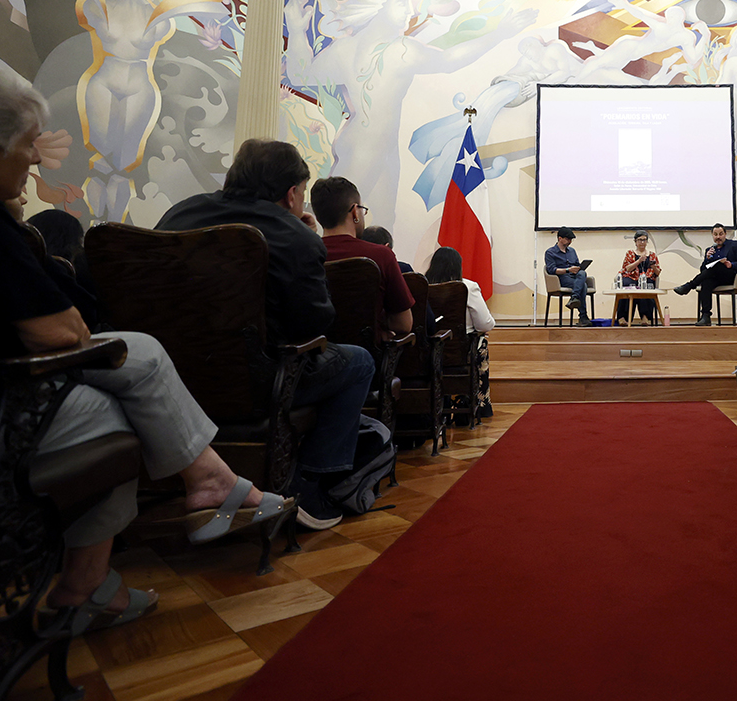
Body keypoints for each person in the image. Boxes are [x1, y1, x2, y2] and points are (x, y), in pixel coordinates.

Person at [0, 57, 292, 633]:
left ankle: (168, 520)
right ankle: (98, 576)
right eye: (28, 145)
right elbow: (59, 333)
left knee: (134, 362)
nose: (37, 159)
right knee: (128, 387)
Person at [157, 139, 374, 531]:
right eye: (302, 193)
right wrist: (303, 240)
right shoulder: (295, 237)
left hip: (176, 381)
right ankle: (310, 482)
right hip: (260, 382)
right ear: (291, 194)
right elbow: (314, 325)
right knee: (359, 361)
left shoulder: (180, 214)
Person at [311, 176, 415, 338]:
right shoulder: (381, 255)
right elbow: (403, 323)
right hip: (367, 348)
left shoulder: (306, 254)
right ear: (355, 212)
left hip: (315, 348)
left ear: (318, 217)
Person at [425, 246, 496, 415]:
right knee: (481, 343)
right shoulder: (467, 287)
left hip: (429, 352)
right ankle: (479, 404)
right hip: (460, 353)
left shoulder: (423, 286)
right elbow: (485, 324)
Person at [673, 223, 737, 326]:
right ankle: (706, 316)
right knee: (706, 282)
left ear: (725, 234)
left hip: (731, 277)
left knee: (718, 266)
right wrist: (707, 259)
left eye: (721, 234)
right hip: (716, 278)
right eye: (715, 234)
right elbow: (703, 270)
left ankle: (689, 286)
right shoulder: (710, 250)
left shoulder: (735, 245)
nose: (718, 237)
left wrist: (731, 264)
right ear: (712, 235)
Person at [544, 227, 590, 326]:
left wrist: (578, 268)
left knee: (582, 273)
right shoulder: (550, 252)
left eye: (571, 239)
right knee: (583, 286)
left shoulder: (572, 251)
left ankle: (574, 298)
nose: (570, 241)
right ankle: (583, 316)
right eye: (568, 239)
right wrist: (568, 270)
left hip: (575, 276)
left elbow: (577, 265)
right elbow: (551, 270)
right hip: (561, 278)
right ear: (560, 238)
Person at [616, 230, 661, 325]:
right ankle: (623, 317)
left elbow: (657, 273)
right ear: (635, 241)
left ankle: (645, 317)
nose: (642, 242)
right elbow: (627, 268)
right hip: (632, 277)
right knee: (627, 285)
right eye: (640, 240)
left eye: (644, 240)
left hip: (646, 277)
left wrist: (653, 267)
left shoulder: (652, 255)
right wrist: (639, 261)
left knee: (646, 286)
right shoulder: (630, 253)